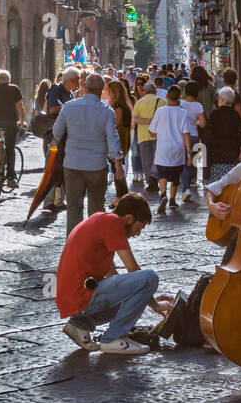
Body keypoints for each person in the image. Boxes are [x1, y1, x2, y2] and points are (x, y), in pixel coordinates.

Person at [54, 193, 172, 355]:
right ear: (129, 218)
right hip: (80, 295)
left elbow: (111, 272)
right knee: (150, 277)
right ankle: (113, 339)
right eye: (139, 228)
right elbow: (133, 269)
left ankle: (79, 326)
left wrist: (143, 297)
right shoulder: (114, 223)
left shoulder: (101, 219)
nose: (137, 234)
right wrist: (154, 304)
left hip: (72, 296)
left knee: (131, 292)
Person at [53, 72, 124, 235]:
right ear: (102, 89)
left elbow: (56, 132)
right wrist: (118, 162)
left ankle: (73, 243)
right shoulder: (107, 112)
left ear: (84, 87)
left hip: (72, 164)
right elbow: (113, 139)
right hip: (96, 166)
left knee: (73, 207)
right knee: (97, 208)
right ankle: (94, 242)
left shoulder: (69, 107)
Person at [148, 85, 193, 215]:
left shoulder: (160, 111)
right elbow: (186, 133)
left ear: (167, 96)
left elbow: (151, 131)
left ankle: (163, 195)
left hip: (163, 147)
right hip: (178, 149)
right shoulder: (183, 113)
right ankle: (172, 200)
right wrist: (189, 152)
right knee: (175, 175)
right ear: (179, 97)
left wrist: (160, 133)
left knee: (162, 173)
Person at [42, 66, 80, 212]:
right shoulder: (56, 90)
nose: (78, 83)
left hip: (64, 136)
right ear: (70, 80)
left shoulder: (69, 93)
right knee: (51, 167)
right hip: (54, 135)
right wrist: (68, 107)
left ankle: (58, 200)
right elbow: (51, 109)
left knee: (60, 168)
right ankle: (49, 201)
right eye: (77, 80)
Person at [0, 68, 25, 186]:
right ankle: (11, 177)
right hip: (9, 123)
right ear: (9, 80)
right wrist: (22, 122)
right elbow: (21, 108)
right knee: (10, 148)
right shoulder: (14, 89)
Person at [204, 86, 241, 183]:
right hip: (232, 154)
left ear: (222, 99)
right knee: (230, 183)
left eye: (218, 98)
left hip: (217, 155)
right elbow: (240, 134)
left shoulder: (214, 114)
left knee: (217, 184)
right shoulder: (236, 115)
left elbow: (208, 133)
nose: (217, 100)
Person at [132, 78, 164, 194]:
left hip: (143, 135)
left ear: (144, 92)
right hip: (158, 135)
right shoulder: (161, 101)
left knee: (146, 160)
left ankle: (150, 181)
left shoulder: (139, 102)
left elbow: (135, 119)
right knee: (158, 158)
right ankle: (155, 177)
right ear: (155, 91)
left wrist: (146, 121)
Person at [177, 80, 207, 200]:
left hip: (181, 135)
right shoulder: (198, 106)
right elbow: (203, 124)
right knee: (191, 163)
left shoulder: (180, 104)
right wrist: (196, 122)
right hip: (194, 135)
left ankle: (186, 188)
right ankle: (188, 183)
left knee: (183, 163)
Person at [104, 78, 132, 198]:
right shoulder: (121, 106)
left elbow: (116, 124)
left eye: (109, 91)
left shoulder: (119, 107)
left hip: (119, 141)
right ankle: (121, 197)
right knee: (117, 170)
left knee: (118, 170)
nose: (107, 93)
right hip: (120, 140)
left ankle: (121, 196)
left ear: (115, 92)